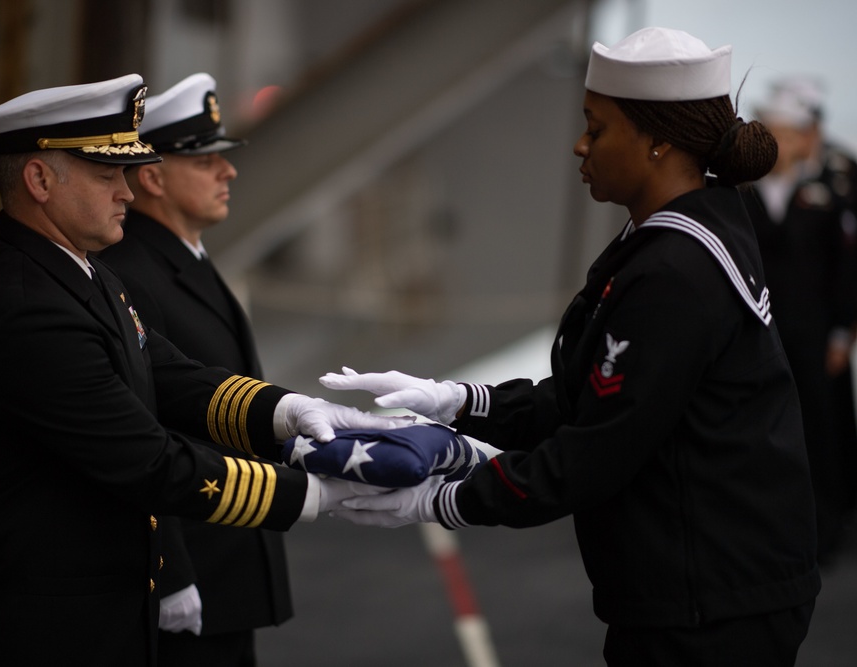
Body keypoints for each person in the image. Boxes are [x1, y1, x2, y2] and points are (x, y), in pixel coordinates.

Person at [320, 28, 821, 666]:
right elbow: (594, 390)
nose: (580, 145)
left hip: (710, 603)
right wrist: (457, 401)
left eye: (597, 127)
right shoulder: (691, 227)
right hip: (712, 580)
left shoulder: (674, 271)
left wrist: (442, 499)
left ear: (657, 140)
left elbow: (596, 449)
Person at [0, 73, 402, 667]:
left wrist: (287, 412)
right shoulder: (29, 311)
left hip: (96, 620)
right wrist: (316, 494)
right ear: (40, 179)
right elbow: (148, 460)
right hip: (39, 634)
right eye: (108, 176)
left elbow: (170, 373)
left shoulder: (82, 273)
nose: (126, 193)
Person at [98, 73, 290, 665]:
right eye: (206, 160)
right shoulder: (133, 275)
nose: (227, 172)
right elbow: (138, 435)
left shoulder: (187, 259)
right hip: (195, 571)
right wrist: (168, 571)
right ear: (152, 177)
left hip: (228, 553)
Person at [745, 76, 857, 563]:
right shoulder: (745, 187)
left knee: (821, 426)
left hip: (814, 333)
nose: (780, 142)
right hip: (762, 332)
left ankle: (827, 527)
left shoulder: (830, 186)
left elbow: (846, 266)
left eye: (787, 132)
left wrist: (842, 330)